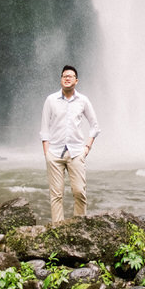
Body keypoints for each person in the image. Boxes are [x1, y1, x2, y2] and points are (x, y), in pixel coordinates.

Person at [40, 64, 100, 224]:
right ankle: (58, 228)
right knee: (56, 195)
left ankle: (79, 226)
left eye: (70, 76)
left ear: (76, 81)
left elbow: (95, 126)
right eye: (64, 76)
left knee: (79, 191)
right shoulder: (51, 100)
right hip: (54, 153)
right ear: (61, 80)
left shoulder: (83, 100)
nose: (67, 78)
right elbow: (44, 128)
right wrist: (47, 153)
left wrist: (87, 147)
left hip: (76, 152)